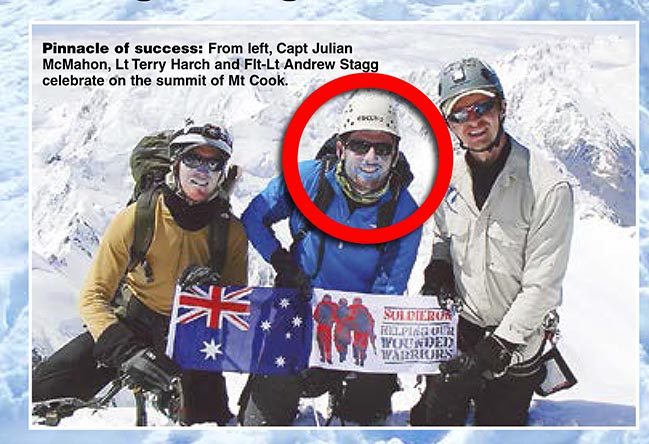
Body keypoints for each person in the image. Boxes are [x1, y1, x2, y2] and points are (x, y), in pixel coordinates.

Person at [32, 123, 249, 426]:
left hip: (191, 332)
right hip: (133, 323)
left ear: (223, 172)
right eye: (193, 160)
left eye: (213, 163)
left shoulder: (231, 233)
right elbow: (93, 297)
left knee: (210, 425)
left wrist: (210, 294)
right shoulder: (138, 217)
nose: (203, 172)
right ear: (176, 163)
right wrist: (126, 352)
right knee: (40, 391)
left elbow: (235, 306)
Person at [239, 90, 422, 425]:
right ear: (341, 147)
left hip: (358, 324)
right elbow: (254, 217)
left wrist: (350, 345)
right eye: (359, 145)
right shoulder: (307, 179)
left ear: (395, 155)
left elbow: (390, 284)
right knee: (261, 424)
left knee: (362, 421)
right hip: (297, 309)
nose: (371, 157)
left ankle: (351, 390)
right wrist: (281, 260)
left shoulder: (403, 211)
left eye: (383, 148)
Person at [410, 57, 574, 426]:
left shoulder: (547, 187)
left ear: (502, 107)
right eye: (459, 114)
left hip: (515, 345)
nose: (473, 121)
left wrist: (494, 350)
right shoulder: (447, 179)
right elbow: (443, 233)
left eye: (482, 106)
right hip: (462, 330)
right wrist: (439, 269)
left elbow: (542, 286)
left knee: (496, 432)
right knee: (429, 424)